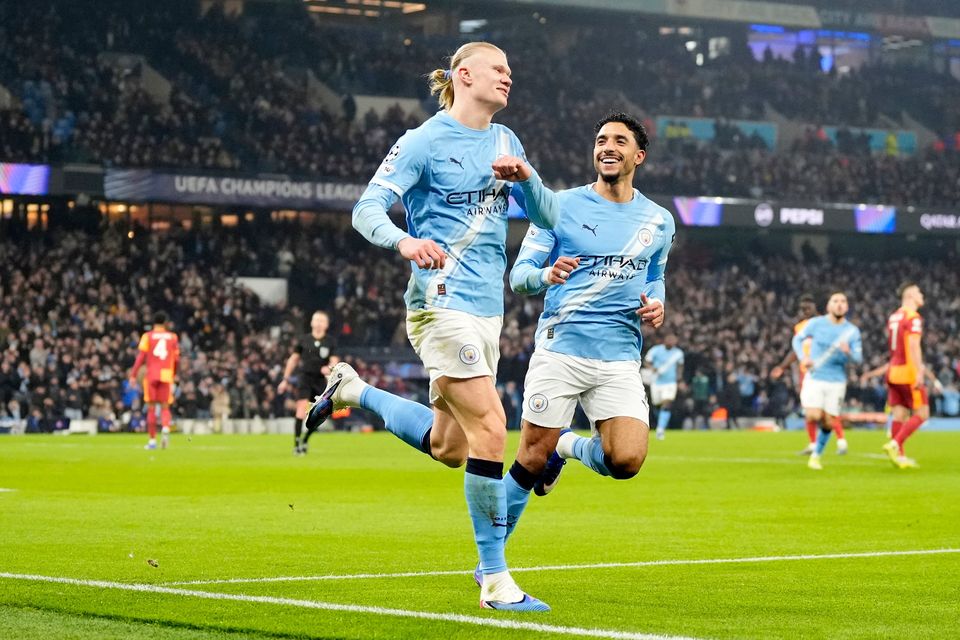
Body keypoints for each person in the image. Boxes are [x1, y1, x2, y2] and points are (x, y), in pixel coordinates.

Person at [303, 42, 557, 612]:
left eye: (511, 70)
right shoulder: (422, 141)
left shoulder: (506, 141)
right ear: (465, 75)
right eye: (499, 68)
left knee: (450, 447)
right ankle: (495, 579)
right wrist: (406, 240)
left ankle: (355, 390)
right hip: (439, 304)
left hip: (487, 310)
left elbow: (548, 218)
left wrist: (529, 177)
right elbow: (366, 209)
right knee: (493, 427)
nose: (509, 77)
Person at [504, 111, 672, 536]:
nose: (607, 147)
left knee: (627, 461)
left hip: (619, 356)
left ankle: (568, 444)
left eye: (618, 141)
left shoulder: (659, 220)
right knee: (530, 457)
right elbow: (519, 275)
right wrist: (546, 274)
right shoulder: (559, 206)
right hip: (563, 349)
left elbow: (656, 277)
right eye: (601, 140)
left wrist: (658, 304)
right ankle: (492, 561)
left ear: (640, 155)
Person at [791, 292, 862, 470]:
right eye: (835, 301)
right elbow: (797, 340)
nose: (839, 304)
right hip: (815, 377)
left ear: (847, 307)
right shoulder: (816, 324)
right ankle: (825, 430)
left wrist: (849, 353)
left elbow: (858, 359)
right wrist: (802, 358)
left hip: (837, 381)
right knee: (813, 415)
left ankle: (816, 455)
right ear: (829, 306)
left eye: (843, 301)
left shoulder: (852, 331)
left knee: (829, 422)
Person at [772, 294, 847, 454]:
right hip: (807, 374)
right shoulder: (800, 327)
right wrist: (782, 367)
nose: (805, 311)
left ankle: (841, 441)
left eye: (808, 307)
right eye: (802, 308)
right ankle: (813, 444)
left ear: (815, 308)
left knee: (830, 409)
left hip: (825, 372)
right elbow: (795, 350)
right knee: (809, 409)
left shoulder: (826, 323)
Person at [877, 282, 930, 469]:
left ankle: (899, 456)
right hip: (907, 372)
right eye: (918, 292)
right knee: (922, 413)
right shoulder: (913, 317)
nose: (921, 294)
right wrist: (919, 371)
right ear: (909, 296)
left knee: (900, 413)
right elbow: (914, 345)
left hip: (893, 371)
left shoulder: (894, 316)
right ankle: (894, 444)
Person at [277, 311, 339, 455]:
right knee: (300, 409)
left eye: (321, 321)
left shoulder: (330, 342)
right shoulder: (303, 340)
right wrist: (285, 379)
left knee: (317, 415)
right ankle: (297, 444)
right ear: (311, 322)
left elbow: (334, 361)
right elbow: (293, 359)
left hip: (320, 381)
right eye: (316, 320)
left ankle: (305, 440)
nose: (318, 323)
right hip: (305, 378)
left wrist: (329, 368)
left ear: (326, 325)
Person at [129, 311, 180, 450]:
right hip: (166, 374)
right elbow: (176, 359)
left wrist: (133, 375)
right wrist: (175, 374)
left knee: (151, 408)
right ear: (165, 323)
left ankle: (152, 441)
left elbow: (141, 357)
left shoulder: (147, 336)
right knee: (165, 407)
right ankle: (165, 427)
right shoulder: (172, 337)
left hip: (151, 374)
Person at [644, 334, 683, 440]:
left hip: (670, 383)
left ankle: (660, 429)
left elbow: (680, 367)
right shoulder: (655, 350)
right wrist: (652, 368)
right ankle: (660, 423)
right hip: (656, 382)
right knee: (657, 404)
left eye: (673, 340)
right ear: (664, 340)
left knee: (667, 404)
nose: (671, 341)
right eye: (669, 339)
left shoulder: (678, 353)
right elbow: (647, 361)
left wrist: (679, 380)